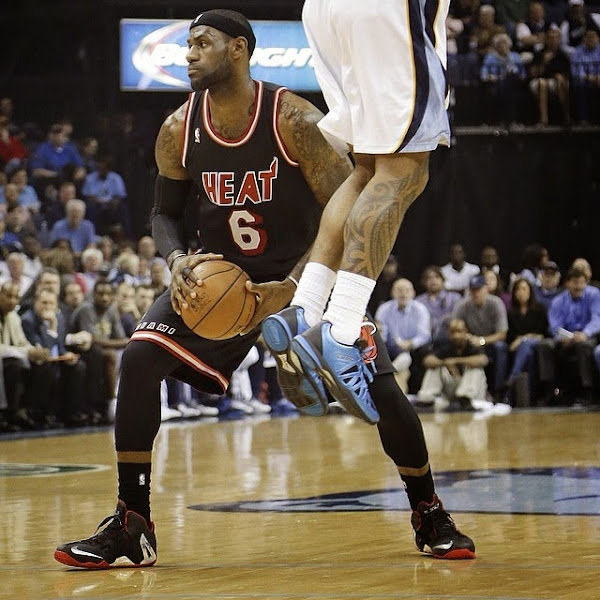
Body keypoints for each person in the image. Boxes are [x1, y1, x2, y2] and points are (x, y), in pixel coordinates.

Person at [55, 10, 474, 570]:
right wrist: (177, 258)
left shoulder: (296, 120)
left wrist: (299, 286)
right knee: (137, 360)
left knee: (376, 387)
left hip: (298, 282)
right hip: (219, 287)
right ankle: (133, 520)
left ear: (240, 50)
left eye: (203, 42)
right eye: (187, 44)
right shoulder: (178, 128)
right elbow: (164, 214)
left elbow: (348, 212)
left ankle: (428, 509)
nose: (189, 53)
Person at [264, 0, 453, 425]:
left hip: (327, 11)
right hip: (385, 11)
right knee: (404, 170)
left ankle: (307, 307)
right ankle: (342, 329)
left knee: (366, 169)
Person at [537, 266, 600, 405]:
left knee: (584, 346)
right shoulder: (558, 301)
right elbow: (554, 326)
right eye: (575, 282)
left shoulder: (594, 295)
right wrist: (562, 337)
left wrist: (585, 334)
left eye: (581, 282)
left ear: (586, 282)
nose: (578, 286)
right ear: (568, 283)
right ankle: (548, 390)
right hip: (565, 338)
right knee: (545, 345)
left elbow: (597, 319)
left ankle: (587, 391)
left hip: (587, 337)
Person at [452, 273, 509, 400]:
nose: (475, 293)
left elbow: (502, 334)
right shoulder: (462, 305)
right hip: (469, 343)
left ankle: (498, 392)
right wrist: (466, 337)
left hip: (490, 343)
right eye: (472, 290)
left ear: (486, 289)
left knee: (500, 348)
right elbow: (454, 328)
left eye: (478, 289)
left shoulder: (496, 303)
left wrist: (482, 341)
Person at [417, 317, 489, 411]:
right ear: (448, 334)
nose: (456, 336)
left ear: (465, 332)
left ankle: (464, 400)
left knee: (475, 369)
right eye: (453, 332)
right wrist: (444, 363)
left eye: (459, 332)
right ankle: (426, 400)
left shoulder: (472, 344)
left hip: (473, 396)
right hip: (452, 392)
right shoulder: (446, 345)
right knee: (435, 367)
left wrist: (455, 361)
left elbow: (483, 360)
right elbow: (427, 360)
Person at [375, 278, 431, 393]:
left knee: (409, 357)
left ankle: (389, 373)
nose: (403, 294)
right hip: (390, 348)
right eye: (399, 290)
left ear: (413, 293)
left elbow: (425, 336)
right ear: (392, 292)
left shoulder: (420, 309)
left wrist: (410, 344)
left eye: (407, 290)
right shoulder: (384, 309)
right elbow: (380, 334)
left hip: (413, 348)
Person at [505, 277, 549, 406]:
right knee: (527, 354)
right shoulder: (510, 313)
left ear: (530, 291)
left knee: (526, 344)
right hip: (518, 349)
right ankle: (529, 397)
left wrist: (524, 338)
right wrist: (518, 341)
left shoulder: (540, 309)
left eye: (524, 289)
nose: (521, 292)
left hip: (538, 344)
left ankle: (511, 380)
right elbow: (509, 339)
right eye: (518, 289)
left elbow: (544, 334)